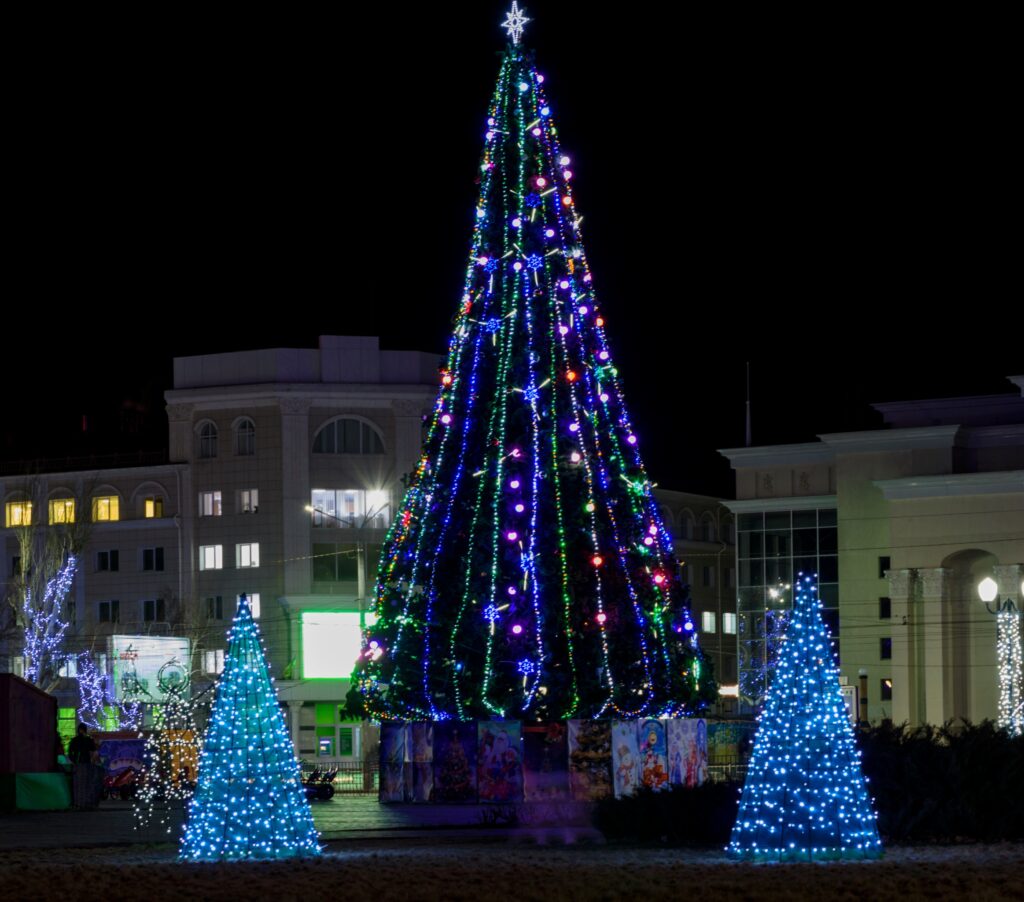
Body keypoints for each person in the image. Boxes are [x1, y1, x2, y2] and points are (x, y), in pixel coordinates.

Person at [68, 723, 99, 809]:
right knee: (86, 783)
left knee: (78, 784)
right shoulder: (88, 740)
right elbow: (94, 752)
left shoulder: (76, 740)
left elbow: (70, 752)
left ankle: (78, 802)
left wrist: (74, 761)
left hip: (79, 764)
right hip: (85, 764)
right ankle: (84, 802)